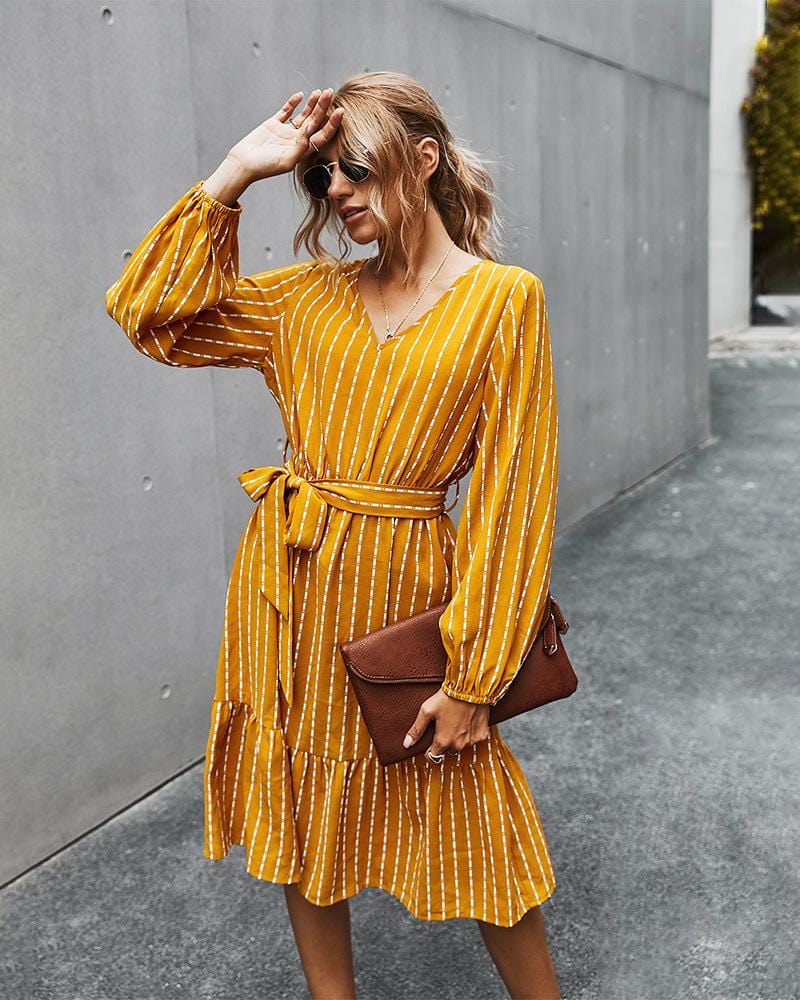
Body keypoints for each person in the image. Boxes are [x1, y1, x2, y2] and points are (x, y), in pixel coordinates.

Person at [105, 70, 561, 1000]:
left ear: (423, 159)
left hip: (410, 606)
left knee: (477, 821)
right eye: (321, 178)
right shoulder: (304, 299)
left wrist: (475, 678)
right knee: (303, 810)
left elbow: (516, 499)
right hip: (290, 594)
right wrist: (236, 173)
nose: (337, 191)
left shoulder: (504, 300)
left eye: (355, 167)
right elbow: (148, 314)